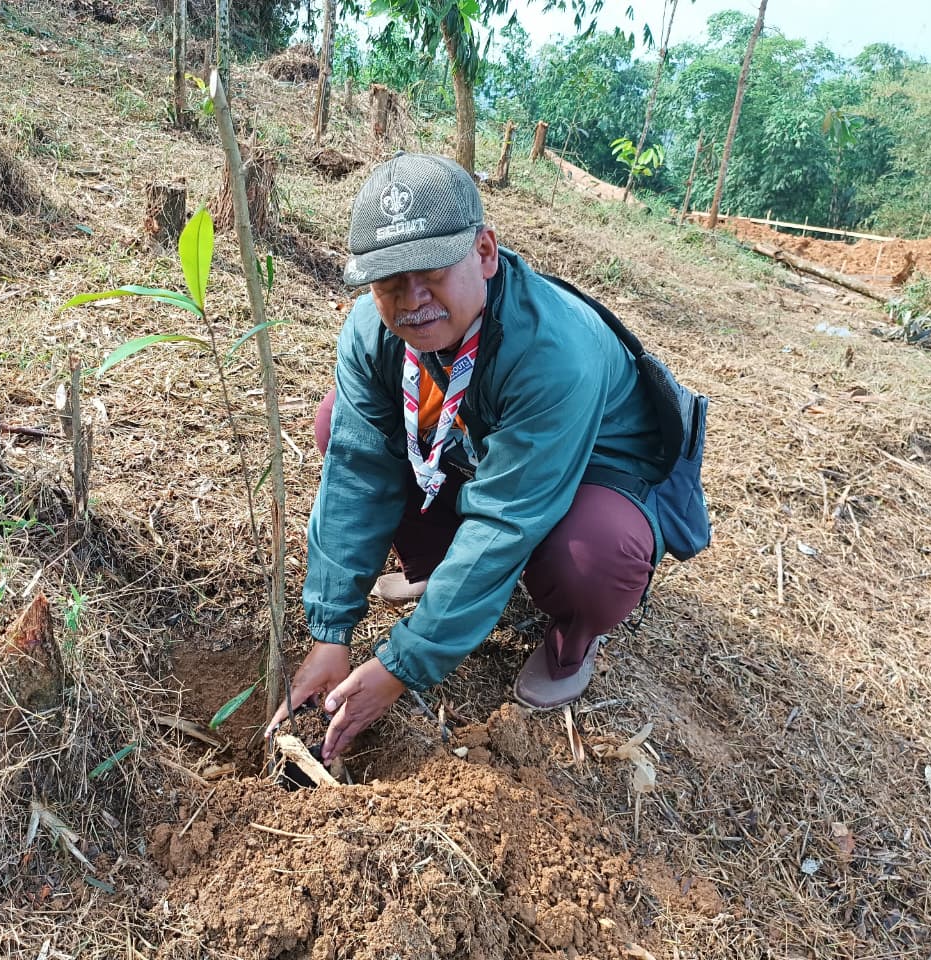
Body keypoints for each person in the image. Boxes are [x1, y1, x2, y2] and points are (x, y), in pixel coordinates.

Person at [267, 152, 668, 763]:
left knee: (590, 554)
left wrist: (401, 665)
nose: (413, 300)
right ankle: (442, 575)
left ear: (484, 252)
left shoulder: (553, 353)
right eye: (390, 282)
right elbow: (358, 470)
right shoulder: (373, 334)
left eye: (431, 270)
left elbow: (505, 519)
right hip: (490, 446)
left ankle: (570, 640)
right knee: (338, 423)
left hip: (597, 468)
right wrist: (331, 631)